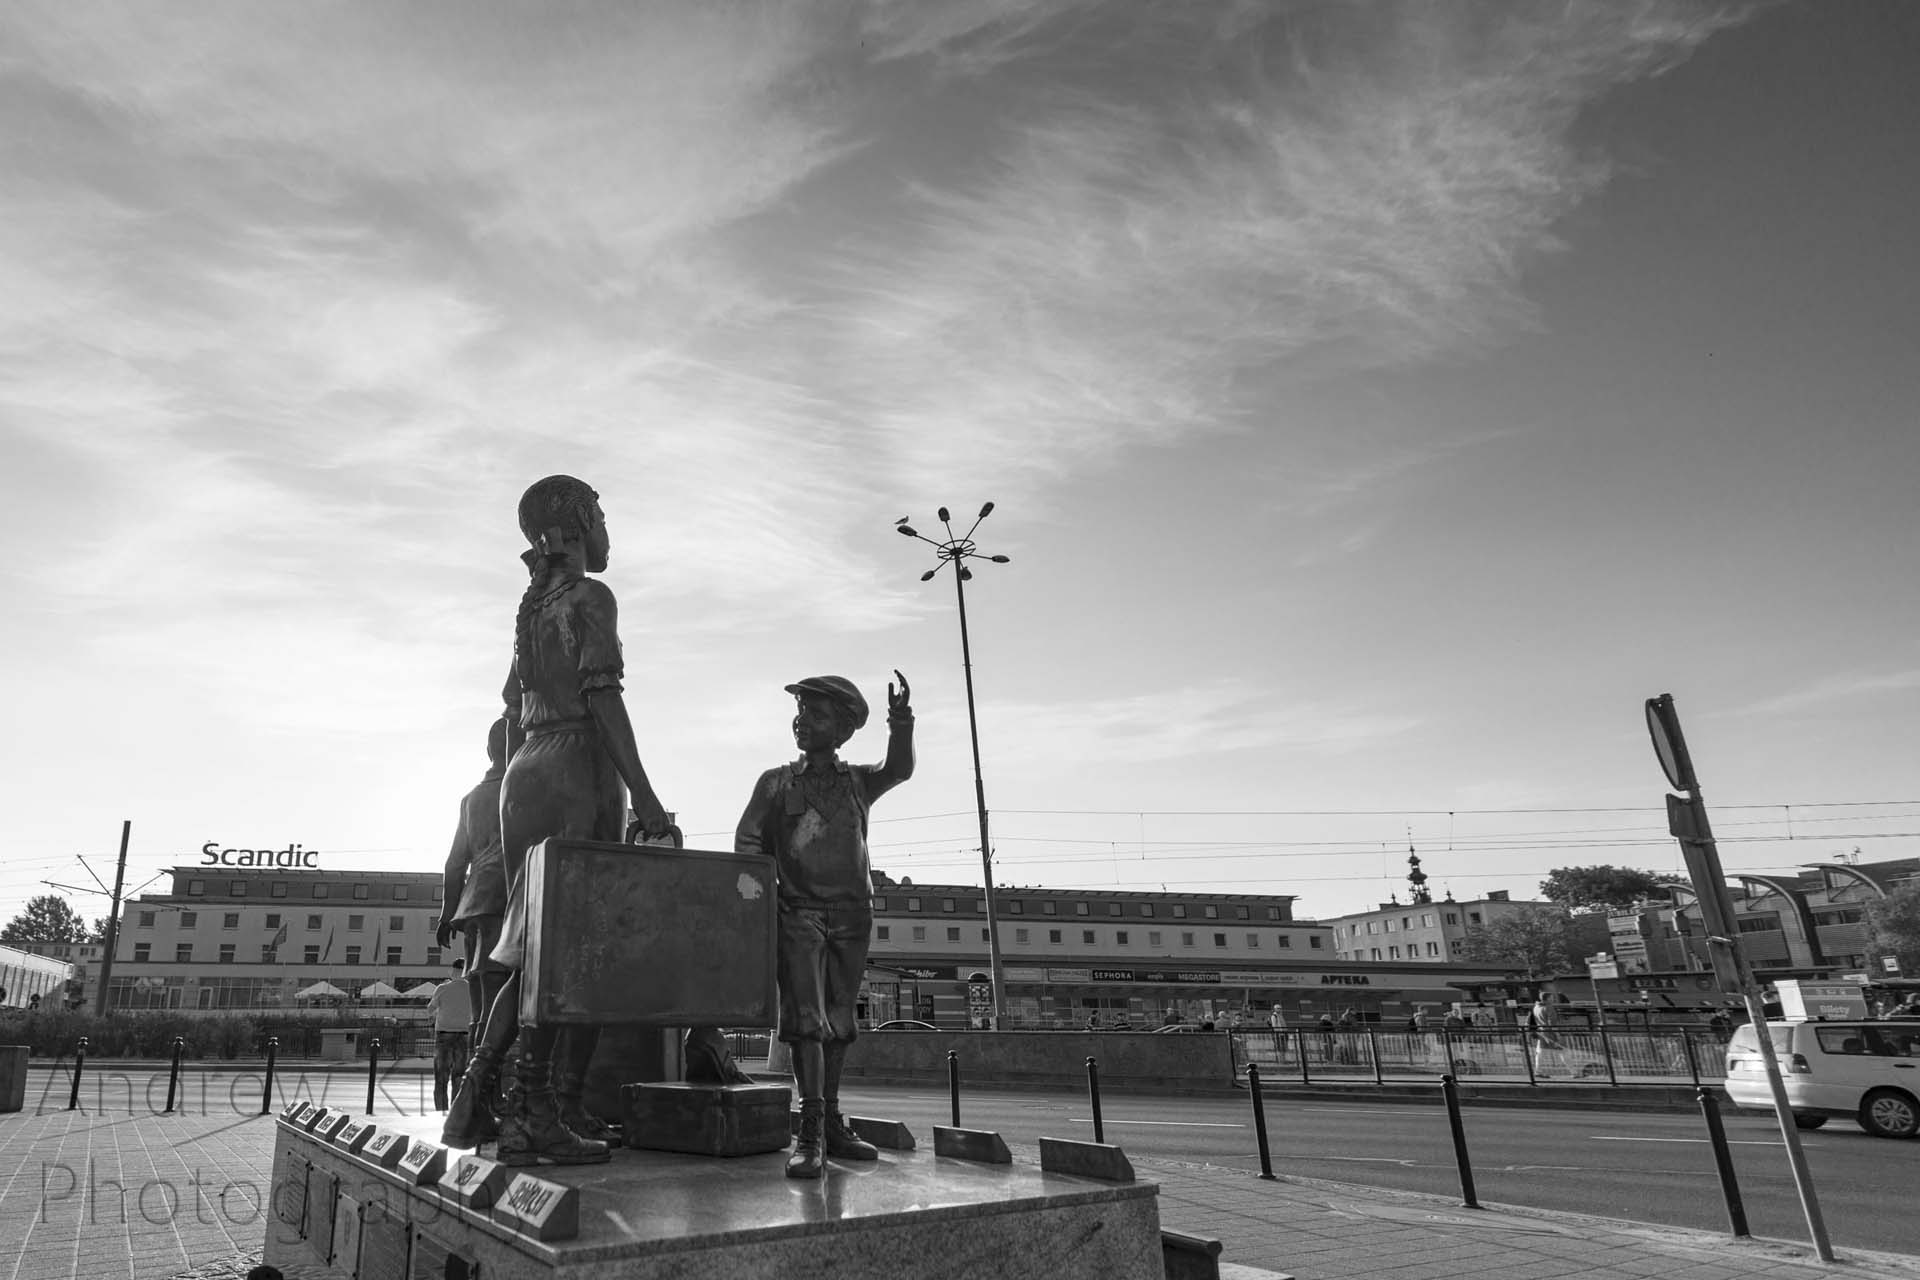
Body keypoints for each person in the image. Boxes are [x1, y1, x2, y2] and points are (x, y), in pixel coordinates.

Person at [444, 475, 674, 1167]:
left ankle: (489, 1093)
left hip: (528, 775)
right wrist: (648, 797)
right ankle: (532, 1110)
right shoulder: (588, 597)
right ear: (575, 520)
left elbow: (514, 713)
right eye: (600, 511)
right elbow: (604, 700)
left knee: (531, 947)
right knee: (575, 950)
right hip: (578, 766)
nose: (607, 525)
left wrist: (515, 788)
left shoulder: (532, 607)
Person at [734, 671, 914, 1179]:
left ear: (841, 728)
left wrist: (900, 721)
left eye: (816, 714)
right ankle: (809, 1129)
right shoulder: (775, 782)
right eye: (800, 712)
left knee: (840, 1021)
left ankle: (831, 1118)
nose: (802, 721)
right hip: (798, 914)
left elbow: (898, 767)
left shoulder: (859, 782)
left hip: (854, 914)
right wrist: (760, 899)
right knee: (805, 1020)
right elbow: (748, 841)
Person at [437, 719, 512, 1133]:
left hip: (475, 907)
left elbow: (454, 863)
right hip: (509, 901)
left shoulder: (471, 797)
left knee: (483, 1007)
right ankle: (482, 1098)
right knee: (506, 1002)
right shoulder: (522, 786)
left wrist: (448, 913)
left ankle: (477, 1097)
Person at [426, 958, 474, 1112]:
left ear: (453, 971)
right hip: (464, 1034)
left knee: (441, 1077)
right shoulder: (473, 989)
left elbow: (430, 1009)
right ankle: (456, 1111)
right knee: (459, 1076)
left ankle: (441, 1112)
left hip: (444, 1034)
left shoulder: (442, 988)